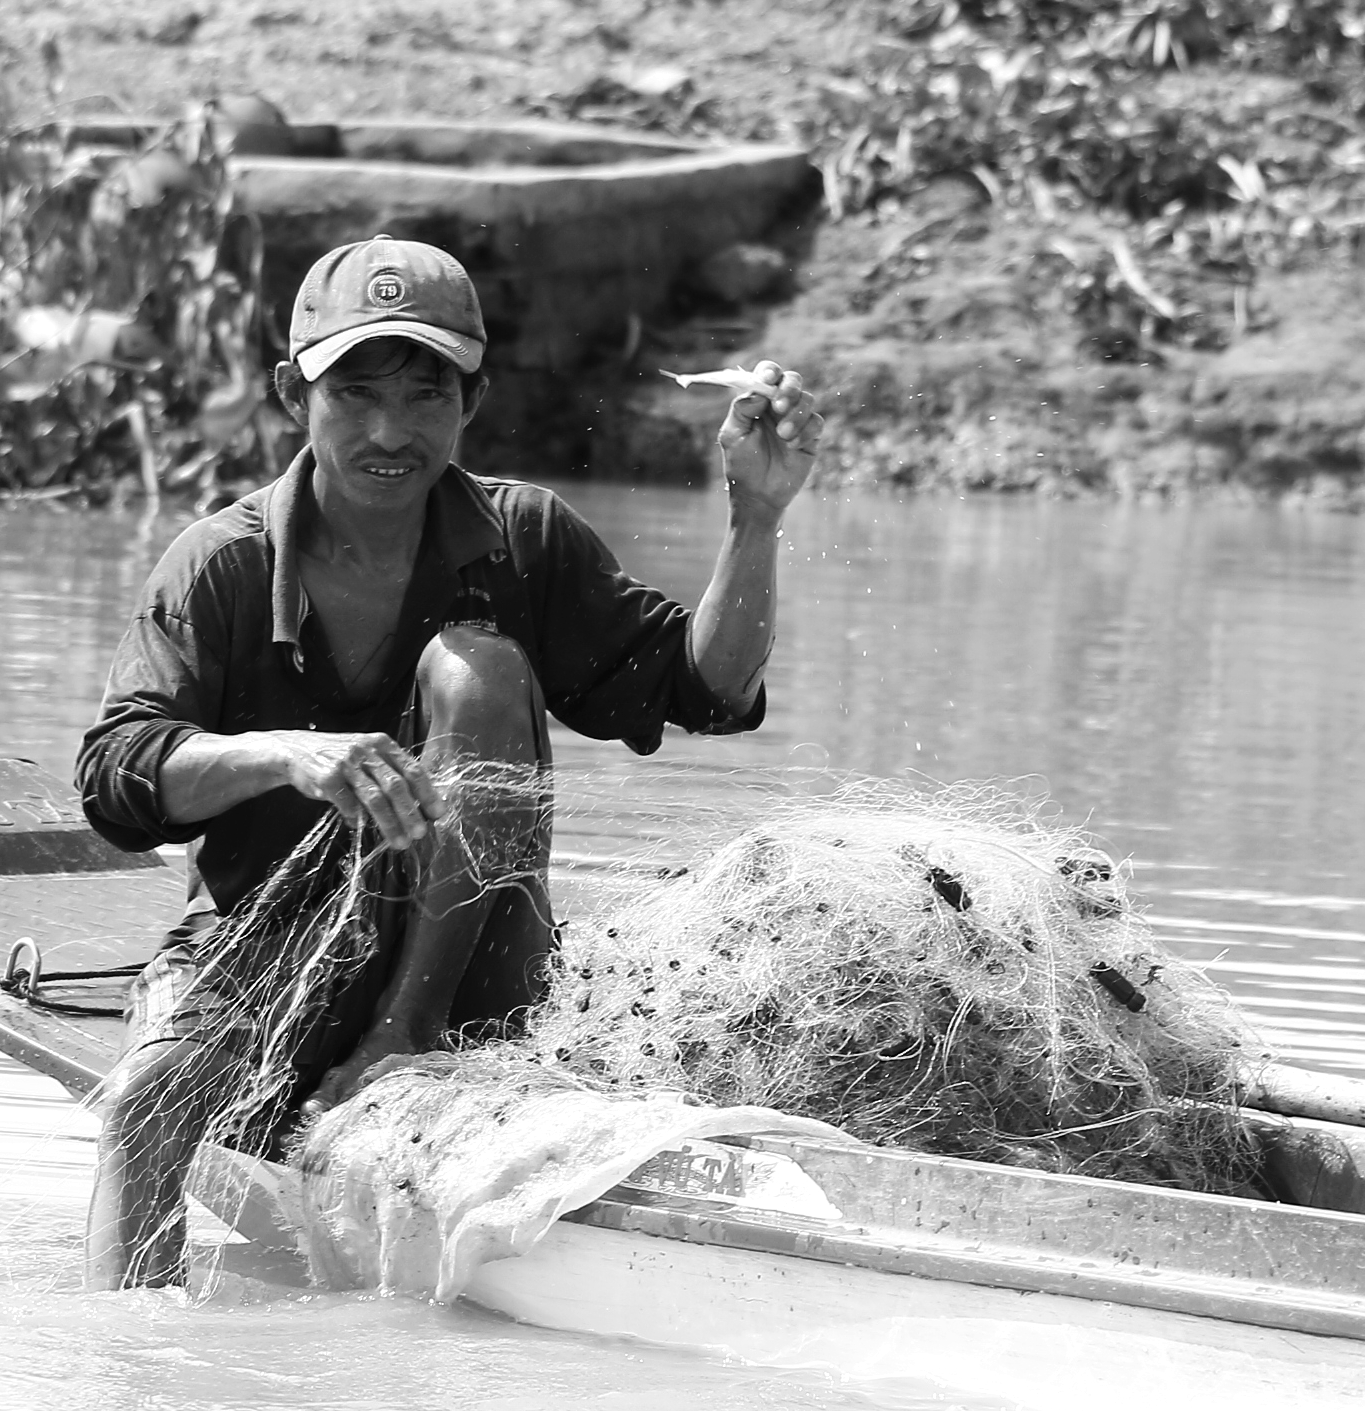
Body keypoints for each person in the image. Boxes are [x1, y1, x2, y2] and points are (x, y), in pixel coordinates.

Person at [74, 236, 823, 1287]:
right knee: (147, 1103)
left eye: (424, 396)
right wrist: (280, 754)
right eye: (355, 395)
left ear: (469, 402)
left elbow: (698, 687)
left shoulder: (522, 540)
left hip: (478, 963)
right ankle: (123, 1381)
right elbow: (119, 774)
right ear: (295, 394)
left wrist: (754, 517)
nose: (389, 432)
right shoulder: (222, 565)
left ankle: (405, 1029)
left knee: (475, 669)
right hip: (272, 944)